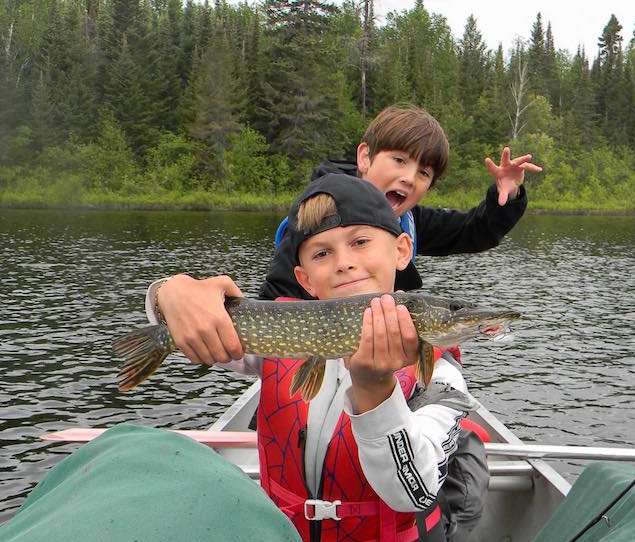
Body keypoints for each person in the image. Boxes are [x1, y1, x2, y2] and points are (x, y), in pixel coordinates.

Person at [147, 173, 477, 542]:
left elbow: (413, 493)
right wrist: (169, 294)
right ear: (303, 280)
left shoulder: (441, 371)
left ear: (402, 251)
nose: (343, 260)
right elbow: (191, 318)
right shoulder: (281, 328)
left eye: (361, 242)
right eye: (321, 253)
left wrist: (374, 391)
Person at [148, 104, 541, 367]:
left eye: (424, 173)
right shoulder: (312, 224)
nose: (409, 177)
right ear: (365, 157)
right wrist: (167, 293)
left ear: (400, 250)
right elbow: (269, 310)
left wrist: (506, 198)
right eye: (399, 161)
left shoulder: (410, 221)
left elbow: (474, 232)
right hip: (315, 361)